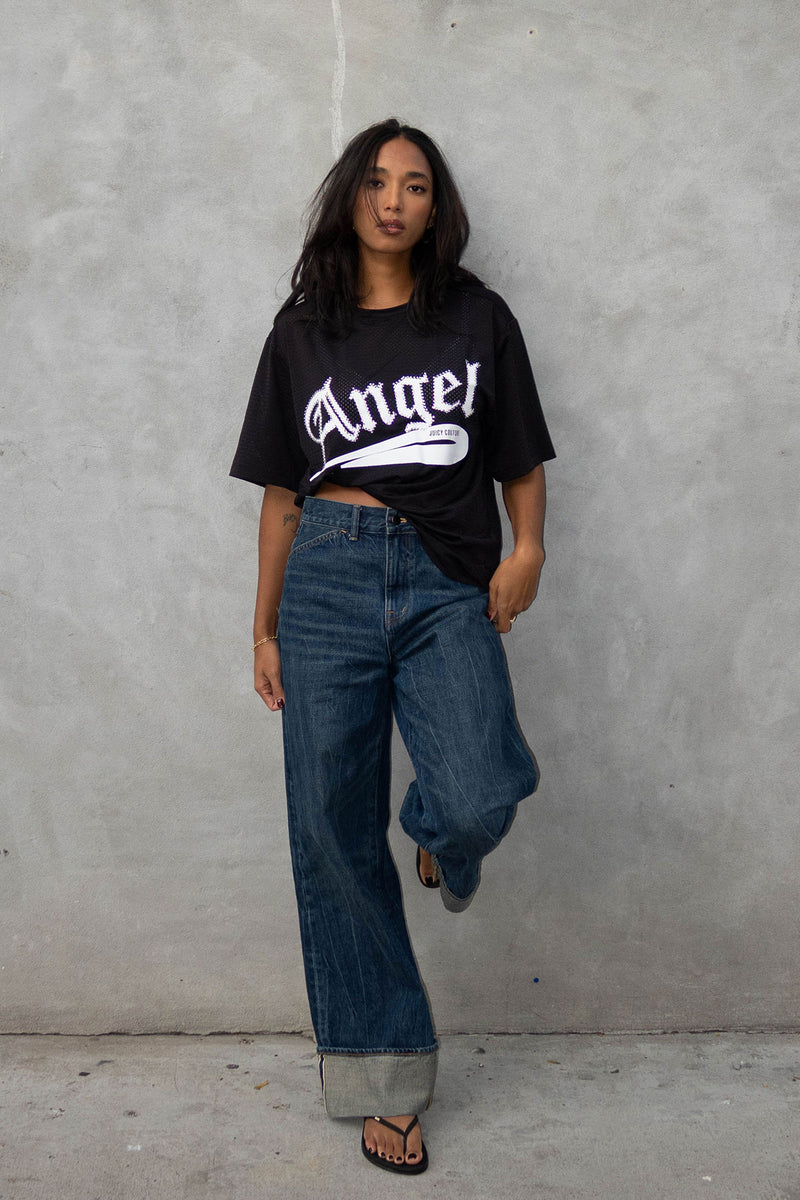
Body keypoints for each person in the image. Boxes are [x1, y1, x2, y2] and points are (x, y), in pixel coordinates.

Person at [230, 118, 555, 1175]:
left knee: (473, 791)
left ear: (434, 207)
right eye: (375, 181)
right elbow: (283, 492)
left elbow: (516, 453)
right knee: (328, 826)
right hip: (324, 568)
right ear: (351, 197)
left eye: (414, 185)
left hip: (441, 575)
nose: (392, 199)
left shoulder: (473, 316)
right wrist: (265, 621)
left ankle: (440, 837)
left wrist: (529, 549)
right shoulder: (303, 330)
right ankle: (386, 1077)